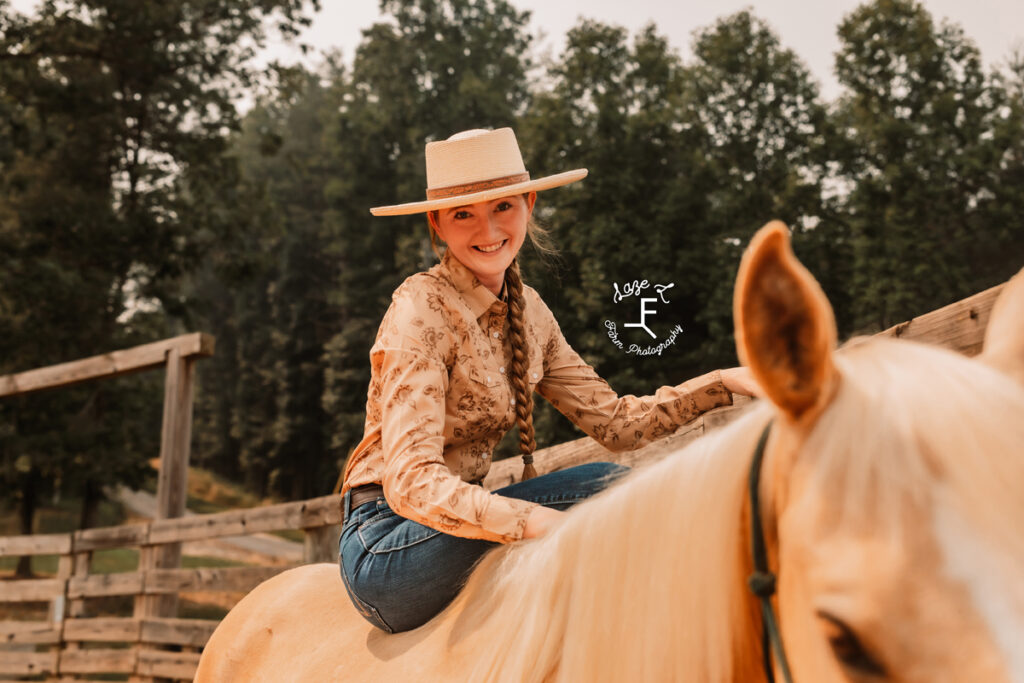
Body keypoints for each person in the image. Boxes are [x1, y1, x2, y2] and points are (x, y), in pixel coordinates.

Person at [338, 127, 759, 633]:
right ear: (437, 224)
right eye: (464, 213)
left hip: (458, 528)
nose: (488, 228)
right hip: (388, 546)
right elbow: (409, 483)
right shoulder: (419, 310)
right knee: (606, 487)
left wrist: (725, 382)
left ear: (529, 203)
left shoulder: (530, 312)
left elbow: (617, 424)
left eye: (503, 206)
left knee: (615, 485)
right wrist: (536, 523)